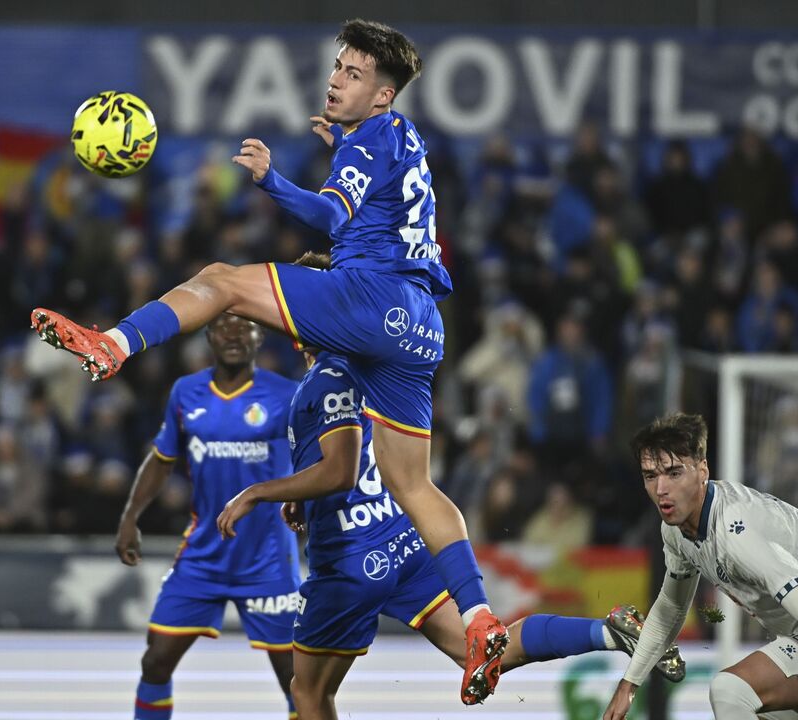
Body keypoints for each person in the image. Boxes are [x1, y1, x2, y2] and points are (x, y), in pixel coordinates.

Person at [32, 19, 508, 703]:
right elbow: (377, 199)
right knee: (413, 485)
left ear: (383, 94)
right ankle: (480, 617)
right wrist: (344, 145)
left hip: (369, 296)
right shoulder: (401, 137)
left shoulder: (369, 137)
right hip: (420, 324)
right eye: (337, 66)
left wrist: (270, 180)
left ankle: (114, 344)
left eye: (353, 73)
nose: (335, 79)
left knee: (222, 280)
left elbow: (331, 216)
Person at [214, 257, 684, 718]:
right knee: (485, 647)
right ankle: (608, 632)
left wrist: (258, 492)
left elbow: (341, 469)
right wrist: (302, 494)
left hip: (352, 557)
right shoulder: (376, 365)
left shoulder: (323, 381)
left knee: (309, 692)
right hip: (404, 539)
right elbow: (353, 456)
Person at [603, 413, 798, 720]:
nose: (661, 488)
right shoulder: (675, 531)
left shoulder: (737, 532)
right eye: (650, 476)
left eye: (674, 473)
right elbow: (671, 607)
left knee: (730, 691)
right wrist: (629, 684)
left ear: (702, 470)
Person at [114, 314, 300, 720]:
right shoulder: (186, 392)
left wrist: (305, 502)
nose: (233, 334)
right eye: (223, 327)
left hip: (268, 560)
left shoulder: (287, 395)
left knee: (297, 679)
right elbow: (162, 459)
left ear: (260, 336)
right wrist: (131, 516)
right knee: (155, 661)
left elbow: (319, 459)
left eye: (244, 327)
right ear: (208, 337)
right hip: (203, 556)